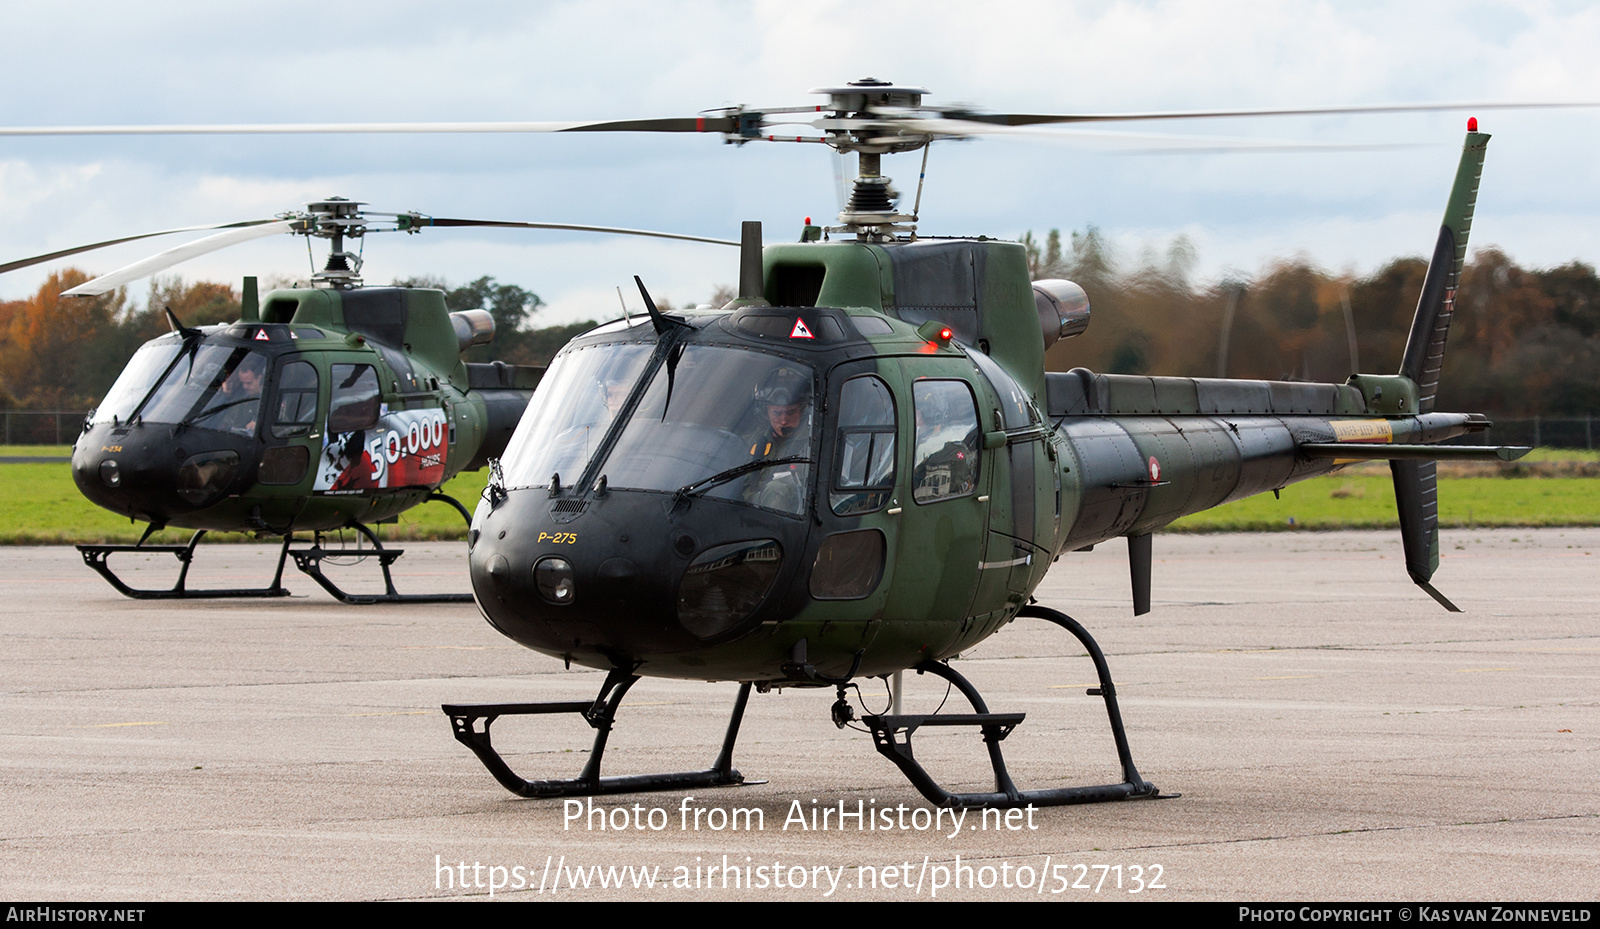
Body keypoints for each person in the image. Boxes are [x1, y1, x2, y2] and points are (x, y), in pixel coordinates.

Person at [740, 367, 812, 511]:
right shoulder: (749, 443)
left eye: (791, 412)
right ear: (765, 412)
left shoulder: (816, 443)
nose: (784, 421)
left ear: (803, 410)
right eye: (776, 413)